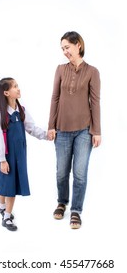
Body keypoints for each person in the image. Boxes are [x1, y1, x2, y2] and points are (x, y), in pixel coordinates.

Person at [47, 31, 101, 229]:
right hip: (61, 129)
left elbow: (95, 102)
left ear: (78, 45)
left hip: (83, 132)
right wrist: (51, 126)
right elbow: (55, 98)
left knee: (80, 173)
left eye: (67, 47)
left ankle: (76, 210)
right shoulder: (60, 69)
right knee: (62, 172)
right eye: (62, 49)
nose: (64, 52)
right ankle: (62, 202)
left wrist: (97, 131)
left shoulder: (92, 72)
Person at [0, 77, 48, 231]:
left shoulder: (21, 110)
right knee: (6, 183)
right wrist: (3, 160)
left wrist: (46, 135)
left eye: (18, 85)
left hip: (20, 155)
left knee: (10, 182)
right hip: (7, 155)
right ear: (6, 93)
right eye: (15, 87)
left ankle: (3, 208)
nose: (18, 88)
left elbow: (31, 128)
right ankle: (6, 216)